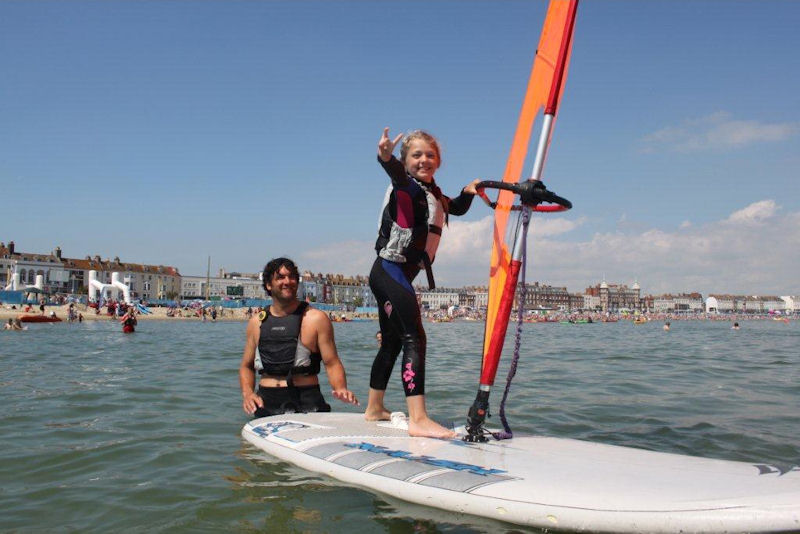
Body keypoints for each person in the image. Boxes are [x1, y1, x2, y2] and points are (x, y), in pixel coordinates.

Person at [365, 128, 479, 439]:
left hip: (393, 274)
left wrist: (470, 190)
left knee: (391, 342)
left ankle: (374, 408)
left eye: (430, 155)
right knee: (415, 338)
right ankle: (418, 418)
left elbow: (454, 207)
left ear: (438, 161)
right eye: (416, 154)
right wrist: (386, 157)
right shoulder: (407, 188)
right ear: (405, 161)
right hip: (390, 270)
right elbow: (396, 176)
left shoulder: (435, 195)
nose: (424, 159)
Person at [239, 257, 358, 417]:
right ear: (268, 285)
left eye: (292, 276)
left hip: (307, 401)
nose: (288, 281)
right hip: (266, 403)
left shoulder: (316, 319)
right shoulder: (256, 323)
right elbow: (246, 366)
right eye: (280, 277)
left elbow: (332, 362)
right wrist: (248, 394)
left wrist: (340, 388)